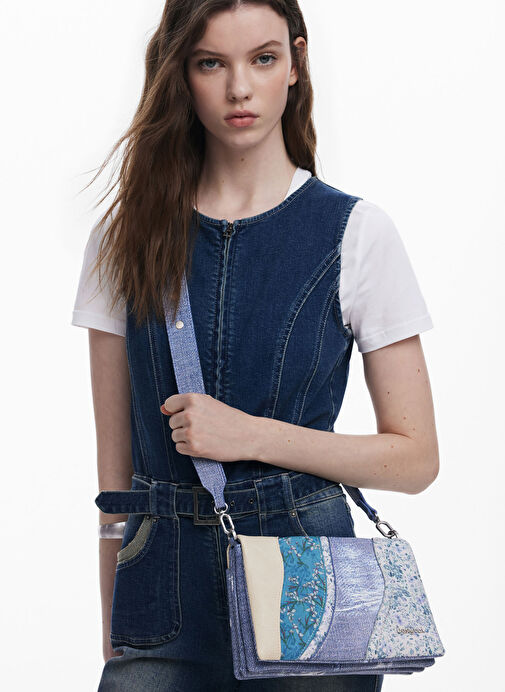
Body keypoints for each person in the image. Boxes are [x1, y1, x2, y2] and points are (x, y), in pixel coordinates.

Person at [71, 1, 439, 690]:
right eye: (211, 62)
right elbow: (115, 481)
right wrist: (114, 627)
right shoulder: (123, 237)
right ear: (180, 72)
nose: (239, 88)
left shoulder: (357, 232)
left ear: (295, 62)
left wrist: (251, 435)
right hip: (160, 594)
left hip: (308, 588)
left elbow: (416, 458)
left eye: (262, 59)